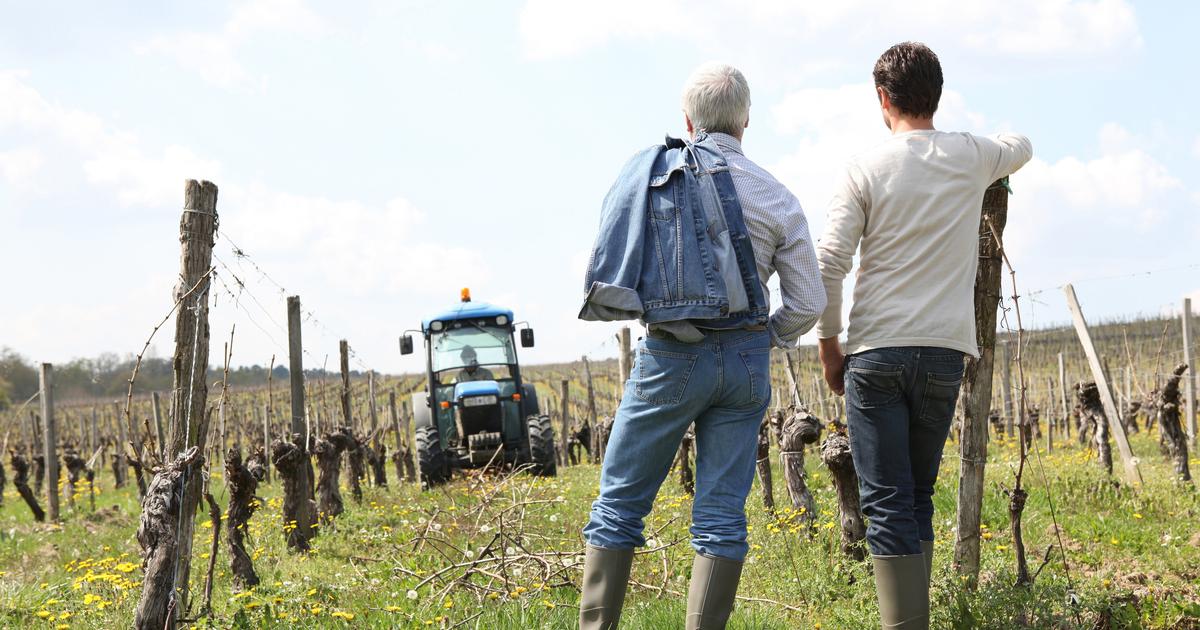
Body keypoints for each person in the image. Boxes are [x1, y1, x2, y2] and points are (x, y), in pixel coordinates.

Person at [579, 63, 825, 630]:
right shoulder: (777, 195)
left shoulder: (655, 178)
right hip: (745, 363)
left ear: (687, 121)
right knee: (720, 518)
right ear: (745, 122)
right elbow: (809, 302)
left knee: (617, 507)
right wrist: (766, 336)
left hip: (670, 357)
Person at [814, 42, 1032, 629]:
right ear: (937, 94)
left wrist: (830, 345)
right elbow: (1022, 146)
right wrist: (988, 144)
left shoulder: (864, 168)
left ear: (882, 100)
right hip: (943, 354)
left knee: (886, 502)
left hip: (877, 352)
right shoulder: (969, 155)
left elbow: (830, 261)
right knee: (916, 496)